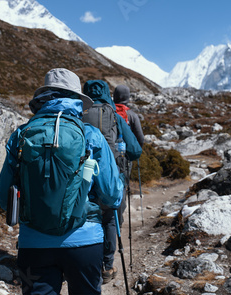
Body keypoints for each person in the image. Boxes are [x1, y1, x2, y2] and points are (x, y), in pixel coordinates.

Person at [0, 68, 124, 295]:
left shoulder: (22, 135)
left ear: (42, 98)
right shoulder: (91, 135)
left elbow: (4, 197)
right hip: (85, 242)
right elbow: (111, 195)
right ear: (77, 100)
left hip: (33, 245)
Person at [82, 80, 142, 284]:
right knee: (109, 218)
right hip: (110, 178)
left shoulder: (77, 115)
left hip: (81, 179)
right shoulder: (116, 117)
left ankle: (84, 262)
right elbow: (135, 150)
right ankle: (107, 267)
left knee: (83, 217)